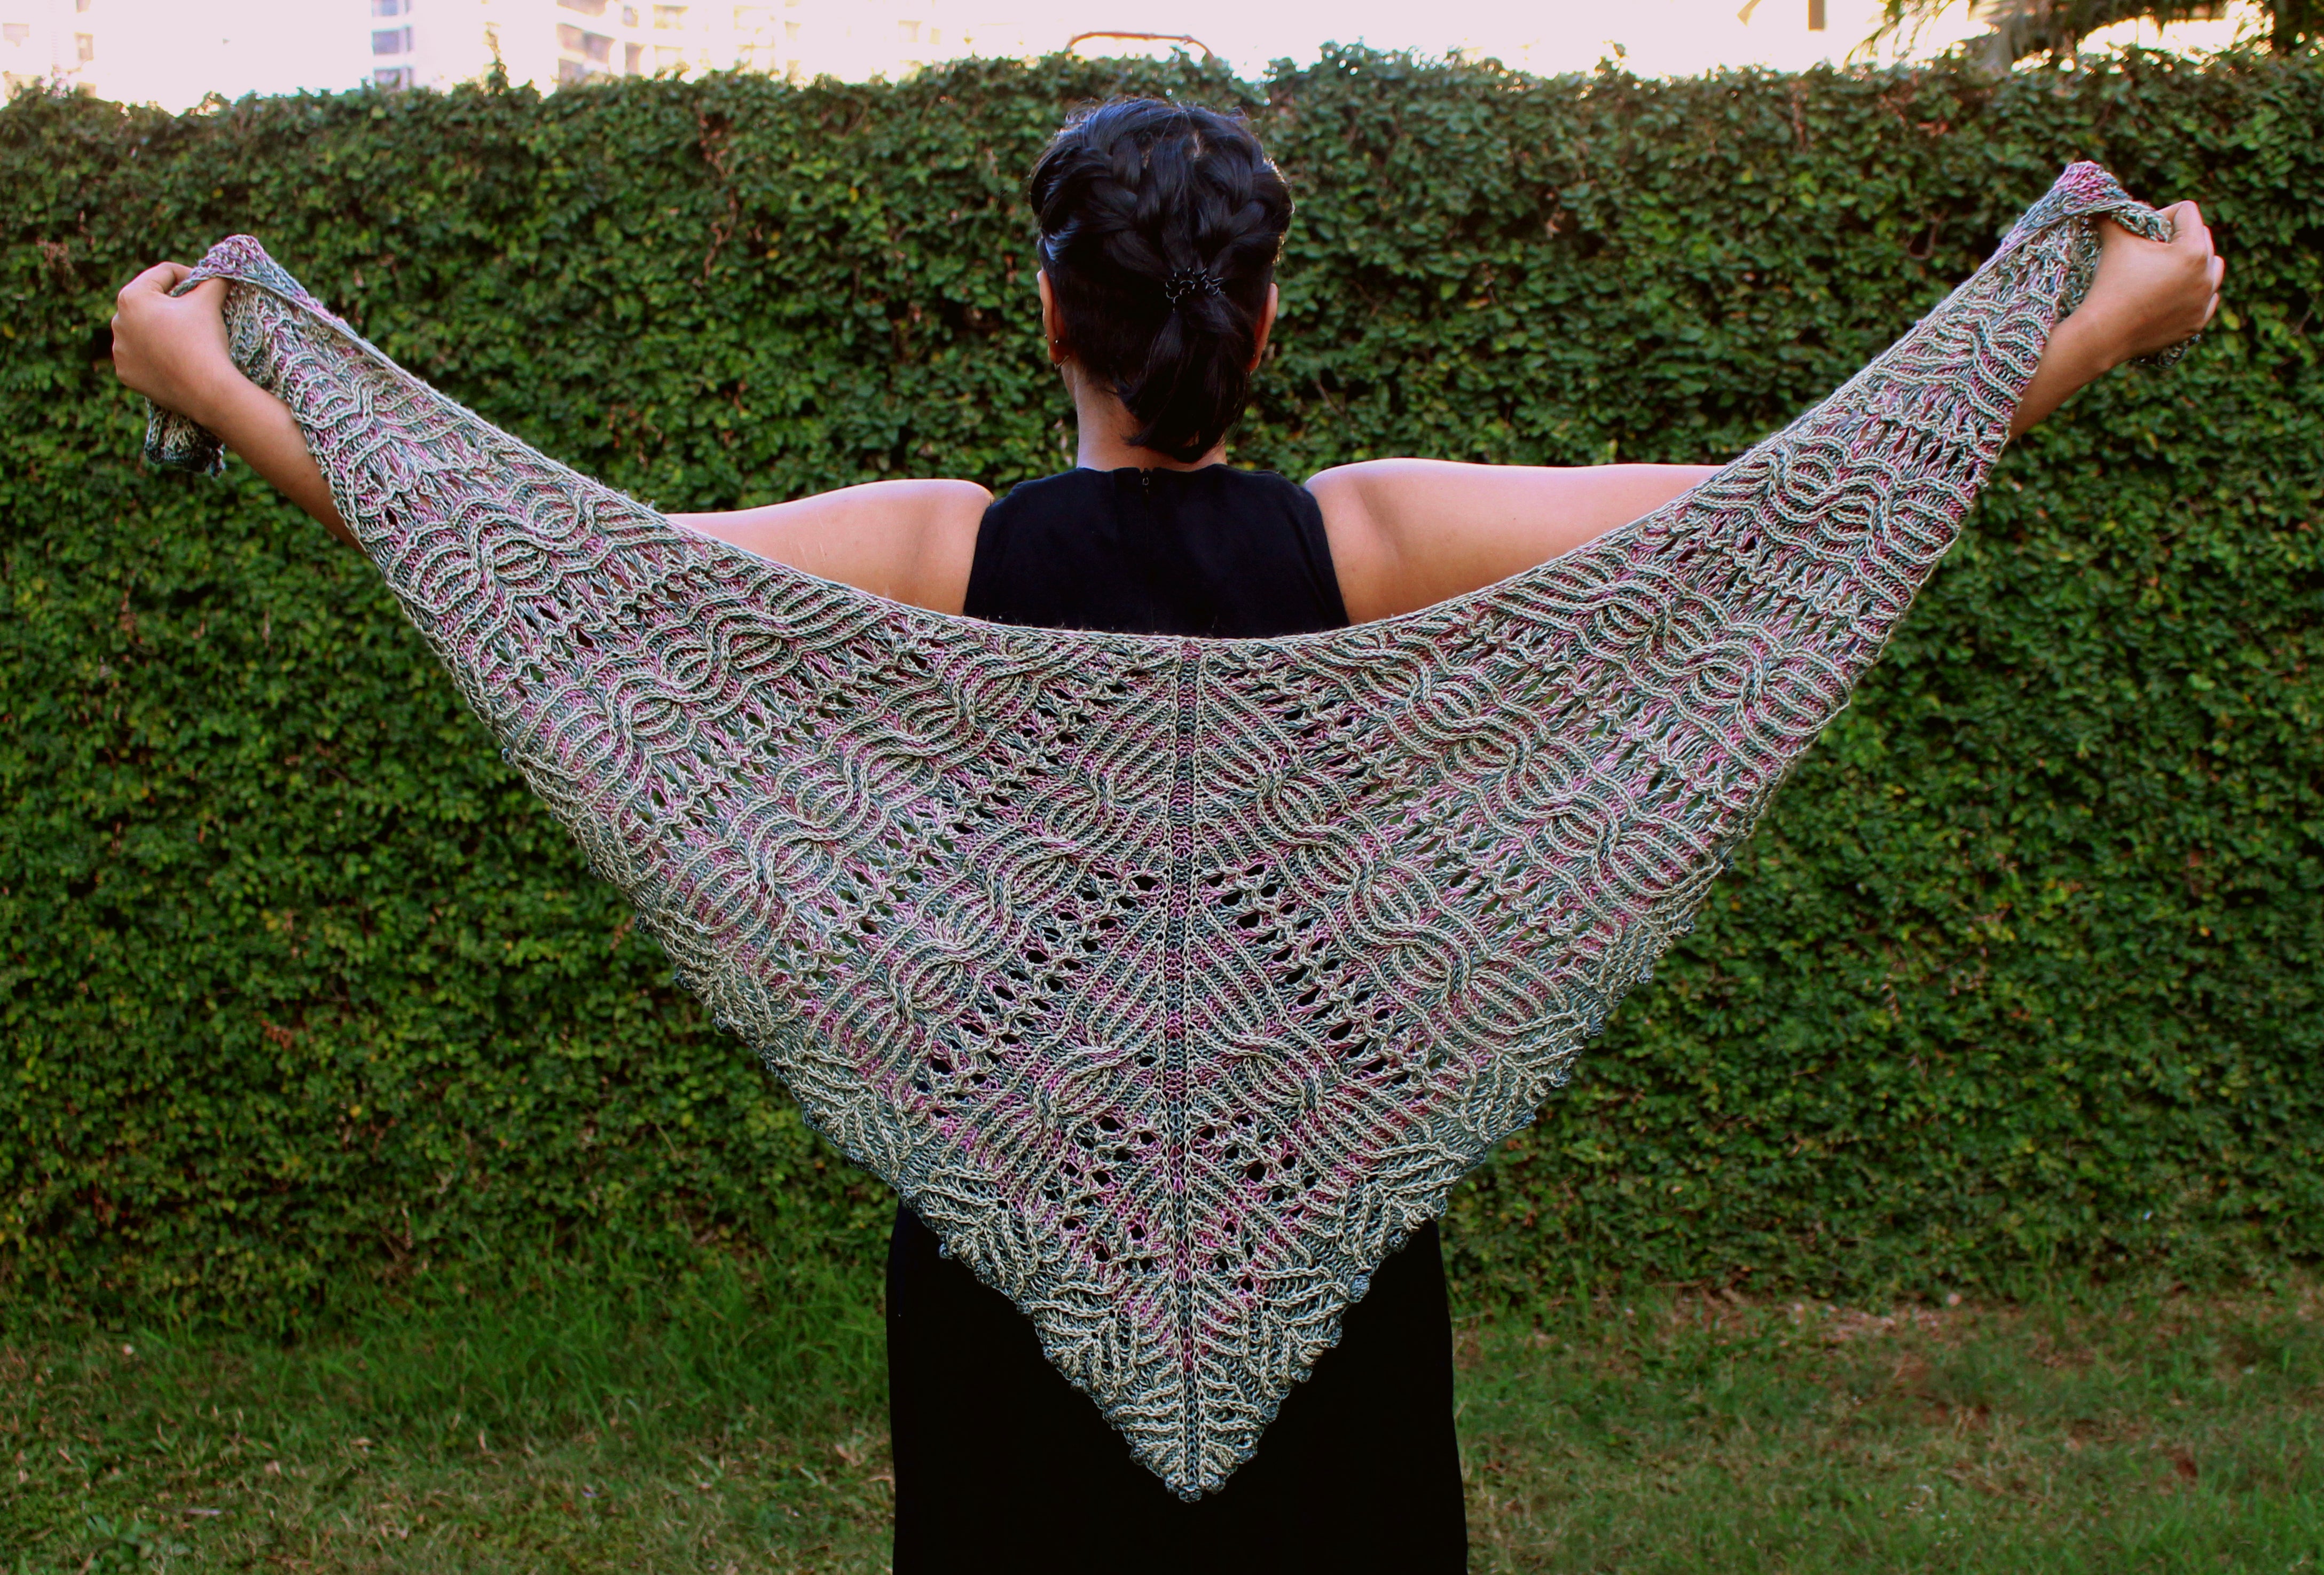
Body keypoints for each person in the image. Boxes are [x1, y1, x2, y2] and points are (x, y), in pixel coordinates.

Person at [110, 97, 2218, 1573]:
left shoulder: (941, 554)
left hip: (1008, 1270)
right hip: (1333, 1244)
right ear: (1263, 319)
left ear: (1049, 316)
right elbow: (1777, 508)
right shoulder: (1372, 537)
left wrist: (223, 389)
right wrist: (2095, 325)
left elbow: (556, 568)